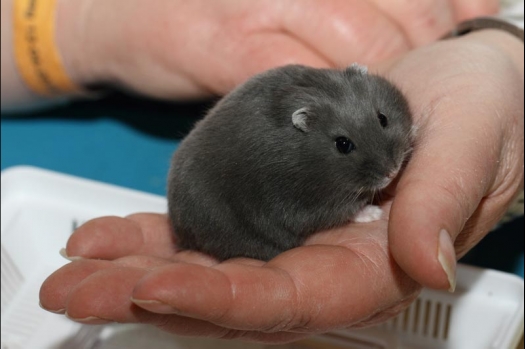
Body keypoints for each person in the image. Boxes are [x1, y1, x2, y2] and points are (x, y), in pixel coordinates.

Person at [2, 0, 523, 343]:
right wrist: (79, 26)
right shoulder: (289, 162)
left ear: (364, 80)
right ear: (302, 127)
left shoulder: (359, 94)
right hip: (225, 213)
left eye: (386, 122)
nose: (387, 163)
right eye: (345, 146)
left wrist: (504, 46)